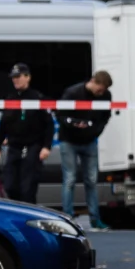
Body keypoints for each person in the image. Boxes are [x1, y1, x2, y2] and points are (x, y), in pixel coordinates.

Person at [56, 70, 113, 230]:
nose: (101, 93)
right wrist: (73, 124)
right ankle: (68, 218)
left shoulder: (106, 96)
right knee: (70, 179)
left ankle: (95, 219)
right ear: (93, 81)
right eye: (99, 90)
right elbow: (60, 114)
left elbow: (105, 117)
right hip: (69, 140)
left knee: (92, 181)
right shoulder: (72, 93)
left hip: (89, 141)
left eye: (103, 91)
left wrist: (94, 131)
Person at [0, 63, 53, 203]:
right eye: (13, 77)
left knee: (28, 188)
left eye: (18, 77)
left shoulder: (38, 98)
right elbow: (3, 124)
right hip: (14, 147)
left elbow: (49, 124)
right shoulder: (10, 98)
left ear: (28, 77)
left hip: (32, 147)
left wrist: (46, 146)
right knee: (10, 186)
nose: (15, 80)